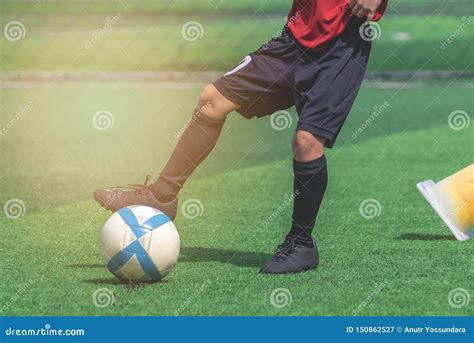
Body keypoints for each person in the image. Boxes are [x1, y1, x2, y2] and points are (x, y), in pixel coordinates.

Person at [94, 0, 388, 274]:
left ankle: (301, 244)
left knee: (307, 142)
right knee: (212, 101)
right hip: (295, 37)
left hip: (343, 45)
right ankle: (162, 195)